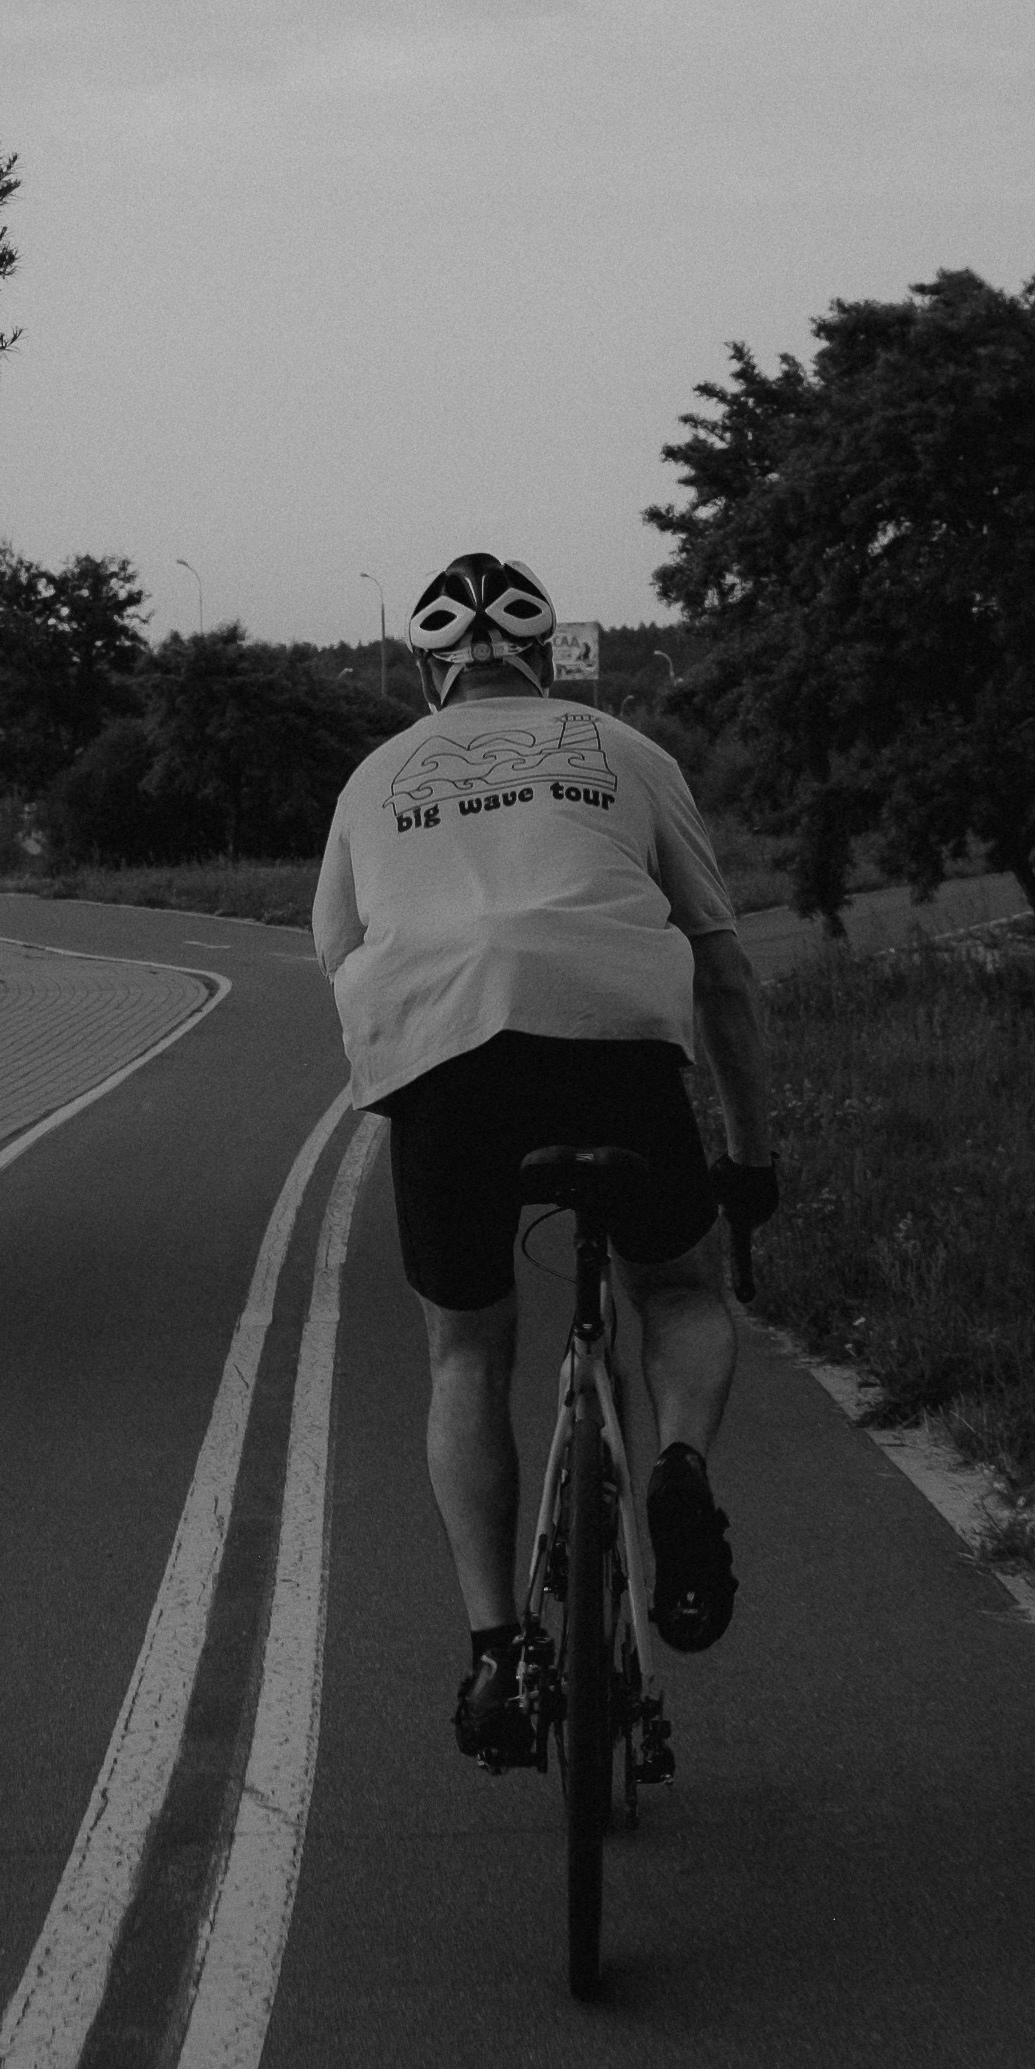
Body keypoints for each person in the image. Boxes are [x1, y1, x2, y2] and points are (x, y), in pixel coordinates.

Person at [309, 551, 778, 1772]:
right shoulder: (624, 752)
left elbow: (336, 951)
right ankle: (676, 1467)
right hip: (611, 1042)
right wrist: (750, 1151)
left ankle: (495, 1651)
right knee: (676, 1289)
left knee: (466, 1349)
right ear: (548, 654)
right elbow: (724, 967)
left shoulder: (374, 776)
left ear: (427, 669)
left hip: (447, 1057)